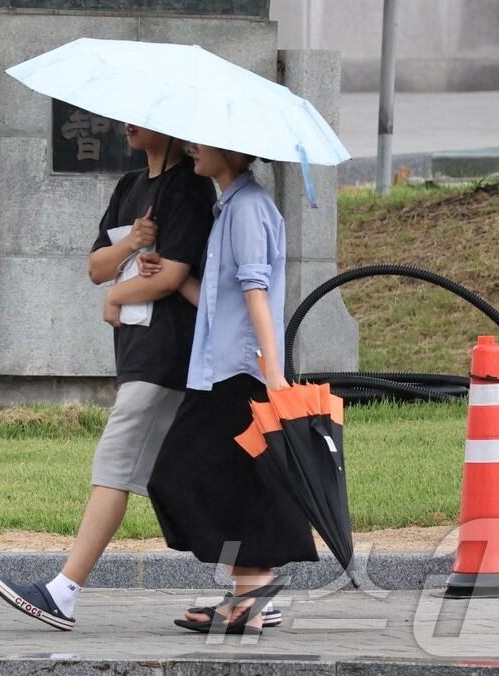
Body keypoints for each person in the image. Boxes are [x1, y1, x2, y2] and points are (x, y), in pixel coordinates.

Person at [0, 124, 217, 631]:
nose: (129, 124)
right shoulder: (129, 186)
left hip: (166, 355)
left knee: (114, 464)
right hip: (136, 351)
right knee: (192, 479)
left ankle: (63, 591)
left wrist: (119, 293)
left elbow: (174, 275)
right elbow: (96, 266)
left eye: (142, 115)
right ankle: (254, 585)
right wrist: (132, 245)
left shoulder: (190, 187)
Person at [141, 142, 317, 635]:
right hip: (220, 370)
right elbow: (223, 301)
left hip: (240, 373)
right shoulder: (231, 207)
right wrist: (174, 282)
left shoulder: (248, 209)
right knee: (235, 485)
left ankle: (251, 594)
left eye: (202, 142)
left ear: (231, 150)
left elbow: (256, 291)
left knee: (177, 475)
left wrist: (273, 372)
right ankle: (249, 598)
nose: (192, 149)